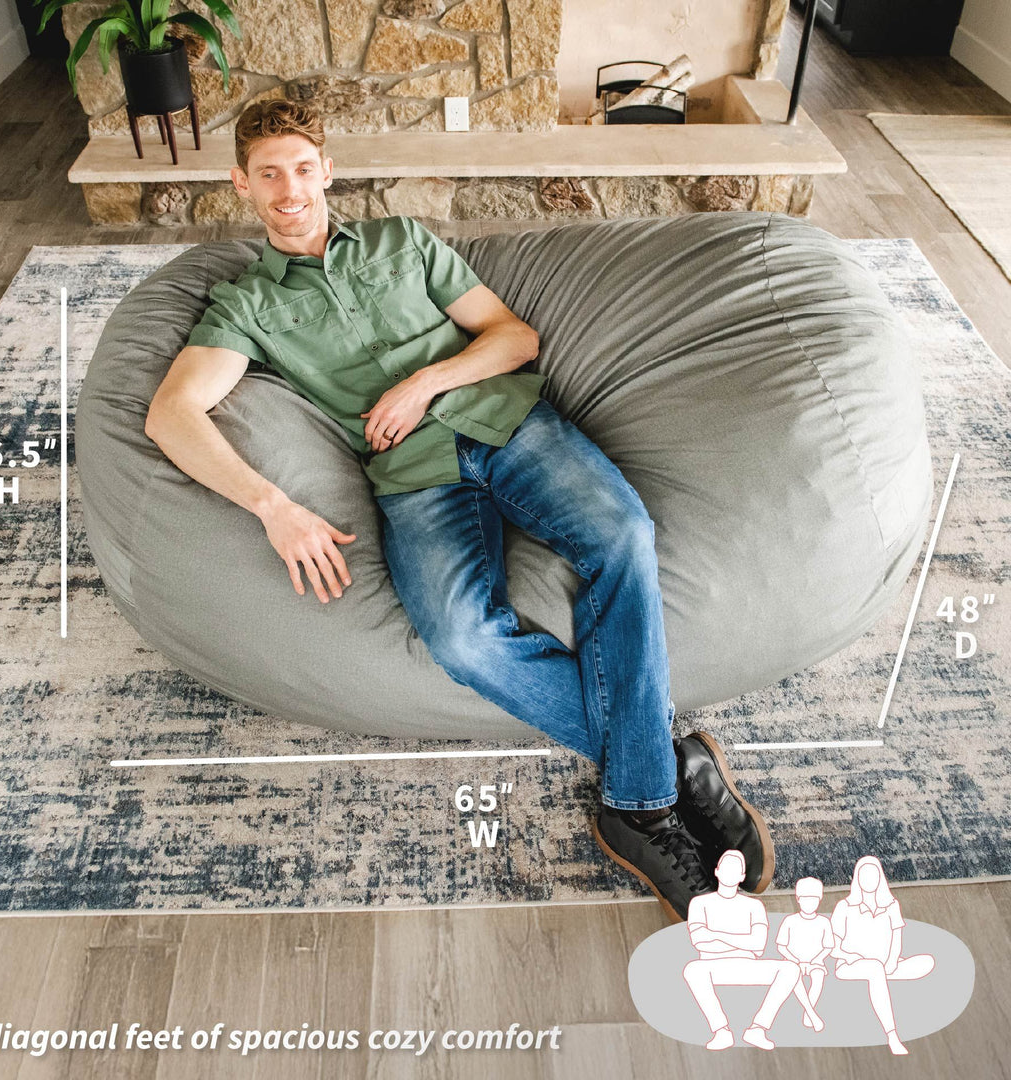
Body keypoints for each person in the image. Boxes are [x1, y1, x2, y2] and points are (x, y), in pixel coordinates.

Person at [144, 98, 775, 920]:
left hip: (507, 421)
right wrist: (272, 506)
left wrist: (425, 381)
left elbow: (514, 337)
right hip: (413, 476)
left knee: (622, 535)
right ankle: (667, 772)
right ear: (241, 184)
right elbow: (170, 415)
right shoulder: (246, 305)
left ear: (328, 171)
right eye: (269, 174)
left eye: (302, 168)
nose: (289, 190)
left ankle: (640, 813)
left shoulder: (402, 241)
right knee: (459, 638)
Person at [683, 850, 799, 1050]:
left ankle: (758, 1028)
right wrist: (742, 941)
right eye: (726, 867)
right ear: (717, 871)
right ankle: (721, 1030)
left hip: (747, 965)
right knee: (692, 970)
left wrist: (716, 935)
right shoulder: (700, 903)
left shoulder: (754, 906)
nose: (730, 873)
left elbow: (758, 944)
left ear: (742, 876)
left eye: (735, 869)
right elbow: (699, 940)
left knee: (790, 969)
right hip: (713, 965)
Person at [830, 855, 934, 1055]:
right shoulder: (845, 907)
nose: (869, 880)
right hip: (851, 964)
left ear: (880, 878)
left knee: (927, 962)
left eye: (873, 876)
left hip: (885, 963)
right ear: (857, 879)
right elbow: (831, 946)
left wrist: (892, 961)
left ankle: (882, 978)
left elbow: (897, 937)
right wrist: (848, 956)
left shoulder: (891, 906)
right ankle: (892, 1034)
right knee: (875, 969)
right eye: (864, 876)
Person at [775, 876, 834, 1031]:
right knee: (794, 975)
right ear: (798, 899)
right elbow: (781, 946)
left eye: (813, 899)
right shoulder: (790, 921)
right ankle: (811, 1013)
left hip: (815, 962)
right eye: (806, 899)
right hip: (793, 961)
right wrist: (796, 961)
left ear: (819, 900)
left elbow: (828, 947)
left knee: (818, 977)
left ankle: (809, 1012)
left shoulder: (824, 922)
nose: (809, 903)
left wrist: (815, 960)